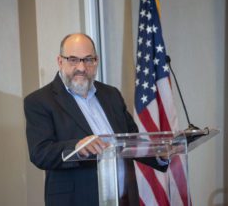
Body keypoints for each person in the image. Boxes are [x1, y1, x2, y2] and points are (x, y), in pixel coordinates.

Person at [24, 33, 168, 206]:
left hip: (123, 199)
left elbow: (132, 140)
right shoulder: (40, 101)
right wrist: (77, 148)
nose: (82, 68)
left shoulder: (111, 94)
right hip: (76, 201)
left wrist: (161, 153)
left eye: (88, 59)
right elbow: (40, 153)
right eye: (73, 59)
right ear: (60, 61)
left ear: (96, 61)